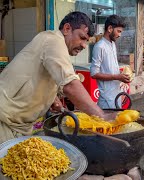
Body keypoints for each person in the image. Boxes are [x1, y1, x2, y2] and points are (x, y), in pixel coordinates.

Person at [0, 12, 110, 144]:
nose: (84, 45)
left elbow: (46, 77)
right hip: (4, 119)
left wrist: (52, 97)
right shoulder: (53, 40)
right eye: (81, 38)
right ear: (67, 29)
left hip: (20, 124)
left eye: (87, 41)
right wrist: (101, 116)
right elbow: (70, 85)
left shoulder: (56, 46)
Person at [90, 15, 130, 109]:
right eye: (118, 31)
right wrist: (117, 76)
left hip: (116, 94)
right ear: (110, 28)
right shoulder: (99, 46)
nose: (120, 35)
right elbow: (94, 73)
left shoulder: (112, 44)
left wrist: (121, 74)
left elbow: (109, 68)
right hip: (106, 99)